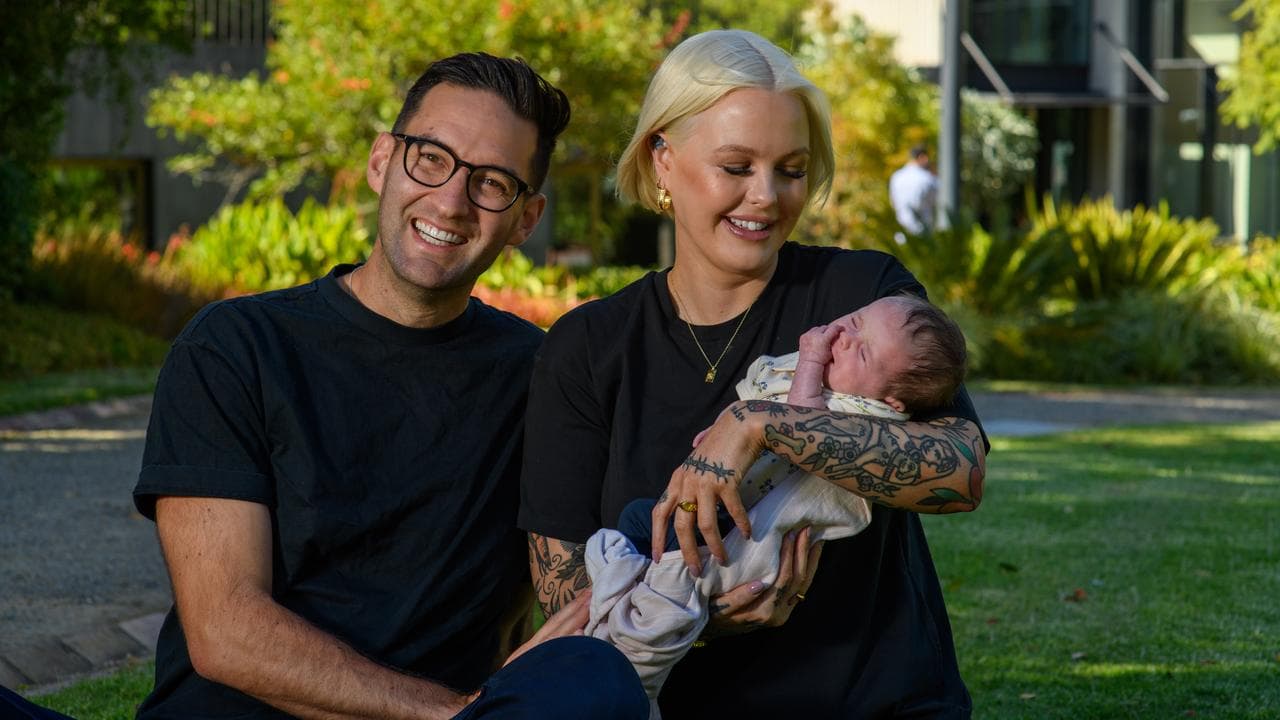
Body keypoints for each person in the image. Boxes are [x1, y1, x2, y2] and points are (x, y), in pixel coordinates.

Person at [132, 53, 647, 719]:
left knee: (599, 685)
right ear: (382, 162)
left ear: (526, 219)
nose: (451, 200)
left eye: (492, 182)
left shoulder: (544, 377)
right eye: (431, 158)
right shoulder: (237, 346)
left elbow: (607, 570)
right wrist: (455, 713)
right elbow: (225, 630)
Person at [519, 29, 988, 719]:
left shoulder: (862, 298)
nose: (766, 197)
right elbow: (564, 592)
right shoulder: (588, 347)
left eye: (792, 169)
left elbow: (959, 473)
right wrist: (701, 616)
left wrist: (759, 424)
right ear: (664, 160)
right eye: (736, 166)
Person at [585, 294, 968, 711]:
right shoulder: (838, 383)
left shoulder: (860, 414)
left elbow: (798, 422)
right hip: (726, 515)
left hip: (742, 537)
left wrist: (809, 360)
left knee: (663, 540)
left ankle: (643, 620)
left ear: (891, 402)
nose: (842, 337)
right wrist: (719, 436)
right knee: (641, 522)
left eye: (860, 350)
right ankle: (635, 596)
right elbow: (752, 411)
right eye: (855, 320)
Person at [889, 144, 939, 237]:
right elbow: (939, 202)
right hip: (923, 233)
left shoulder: (896, 176)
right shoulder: (927, 178)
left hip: (902, 233)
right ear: (922, 157)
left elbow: (893, 202)